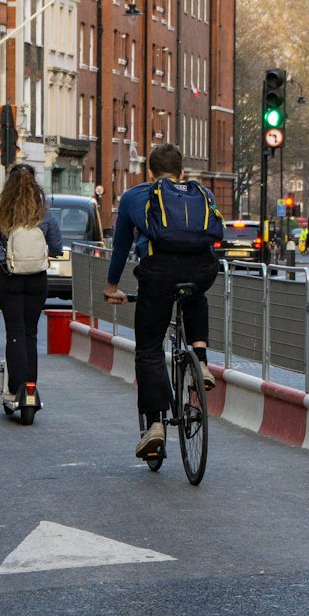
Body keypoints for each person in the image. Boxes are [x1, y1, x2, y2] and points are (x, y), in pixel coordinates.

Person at [102, 144, 223, 459]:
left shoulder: (134, 197)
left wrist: (112, 286)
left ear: (150, 173)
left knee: (149, 349)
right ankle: (202, 360)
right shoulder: (201, 194)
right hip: (204, 270)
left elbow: (121, 249)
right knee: (196, 293)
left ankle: (155, 424)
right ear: (182, 171)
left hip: (159, 275)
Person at [0, 164, 64, 415]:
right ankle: (31, 388)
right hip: (37, 279)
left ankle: (17, 388)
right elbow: (57, 246)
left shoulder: (1, 212)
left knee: (14, 333)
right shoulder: (44, 213)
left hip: (10, 278)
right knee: (31, 334)